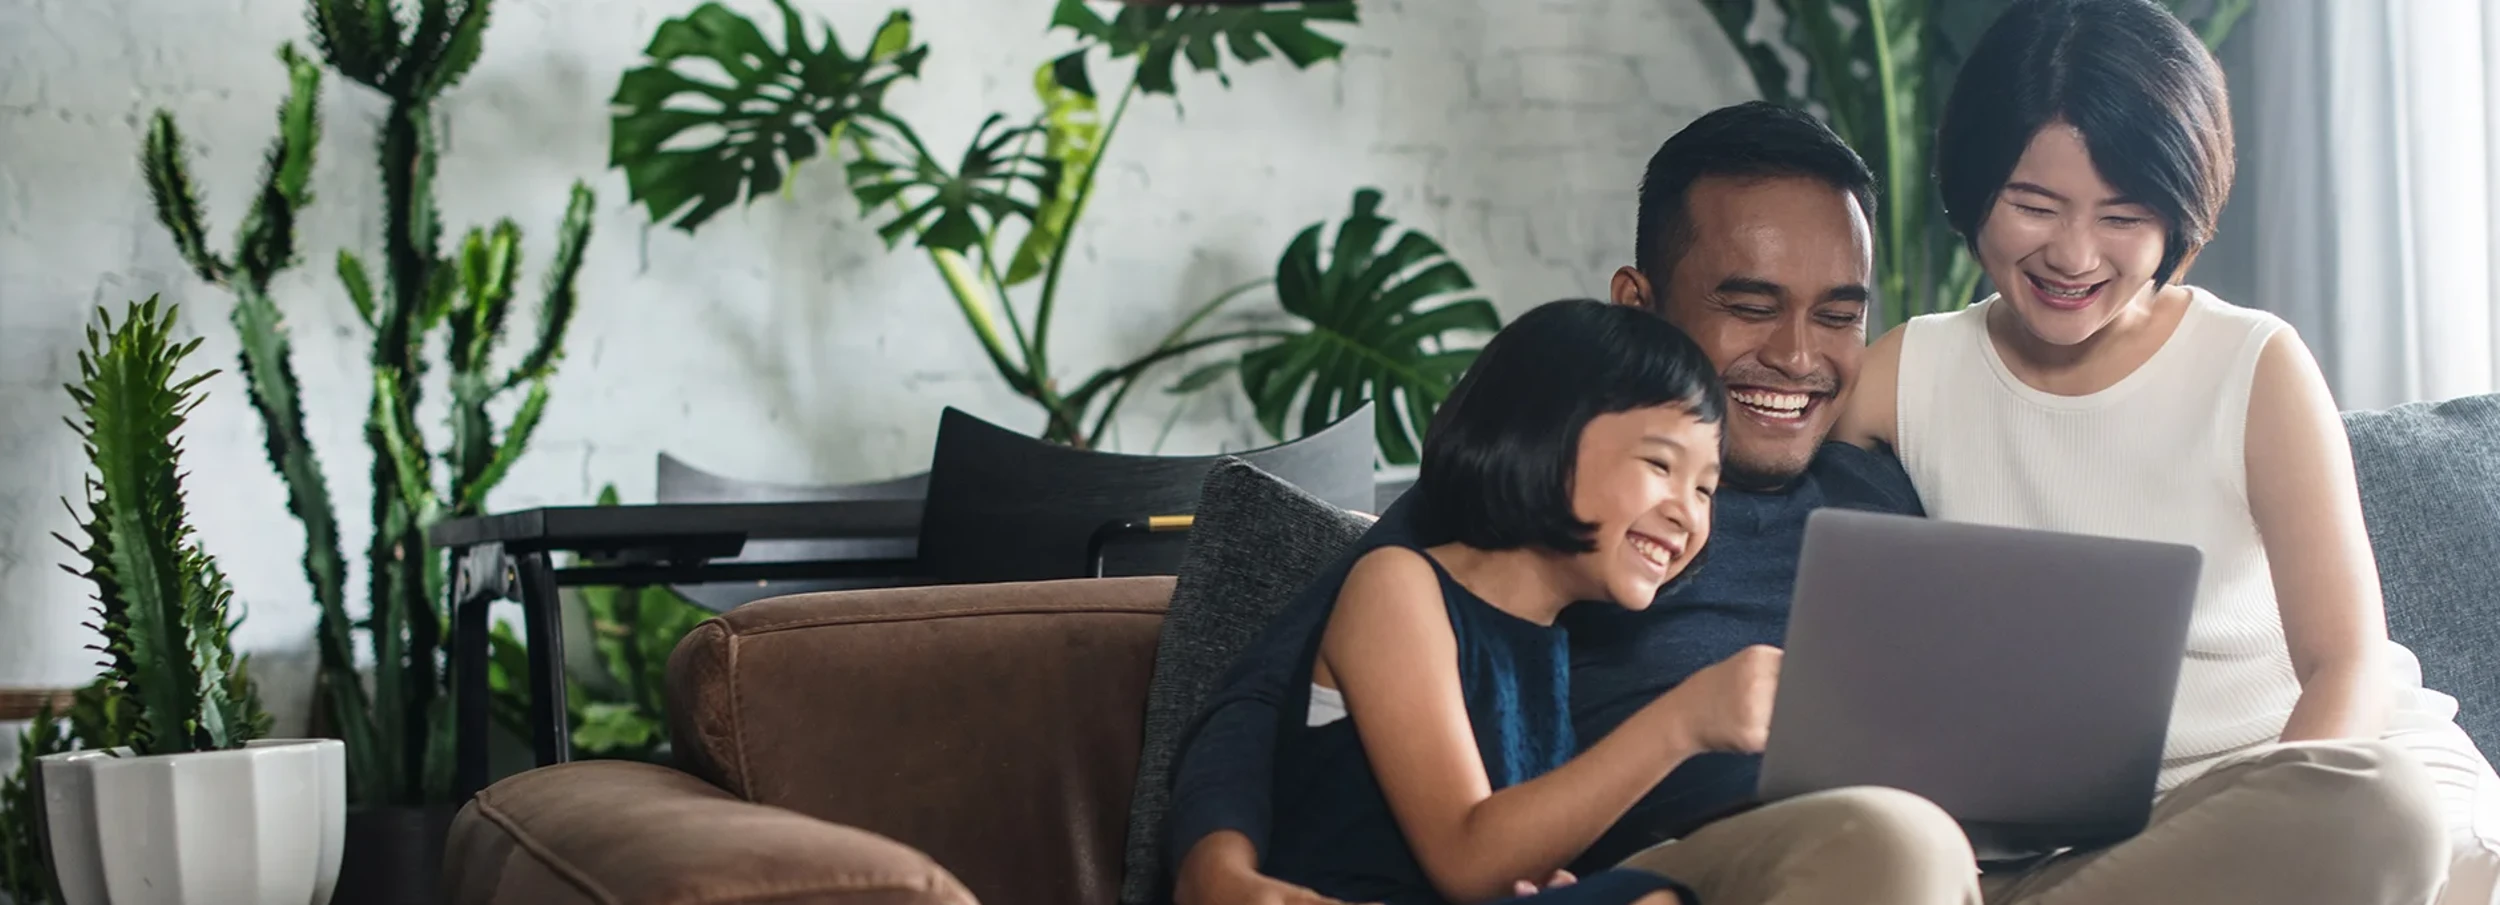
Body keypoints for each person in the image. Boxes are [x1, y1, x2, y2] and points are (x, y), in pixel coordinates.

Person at [1165, 101, 1980, 905]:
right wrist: (1217, 865)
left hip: (1967, 850)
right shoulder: (1532, 514)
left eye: (1839, 315)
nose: (1799, 355)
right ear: (1638, 303)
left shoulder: (1880, 490)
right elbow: (1263, 695)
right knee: (1894, 840)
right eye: (1751, 307)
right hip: (1756, 855)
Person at [1834, 0, 2496, 902]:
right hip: (2093, 840)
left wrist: (2282, 816)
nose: (2073, 254)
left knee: (2415, 835)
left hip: (2327, 769)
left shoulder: (2252, 363)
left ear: (2179, 211)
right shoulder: (1909, 372)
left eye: (2123, 215)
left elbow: (2349, 664)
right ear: (1975, 186)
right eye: (2034, 204)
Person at [1257, 299, 1726, 905]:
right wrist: (1686, 721)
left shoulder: (1547, 639)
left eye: (1706, 488)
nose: (1687, 511)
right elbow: (1467, 856)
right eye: (1660, 463)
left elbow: (1500, 867)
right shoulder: (1398, 586)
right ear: (1542, 437)